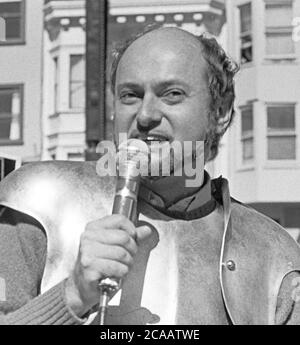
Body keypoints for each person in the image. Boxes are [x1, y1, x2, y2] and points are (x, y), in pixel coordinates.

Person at [0, 26, 300, 325]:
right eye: (130, 95)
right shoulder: (37, 200)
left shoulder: (273, 252)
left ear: (220, 111)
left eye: (172, 95)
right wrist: (74, 294)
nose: (145, 116)